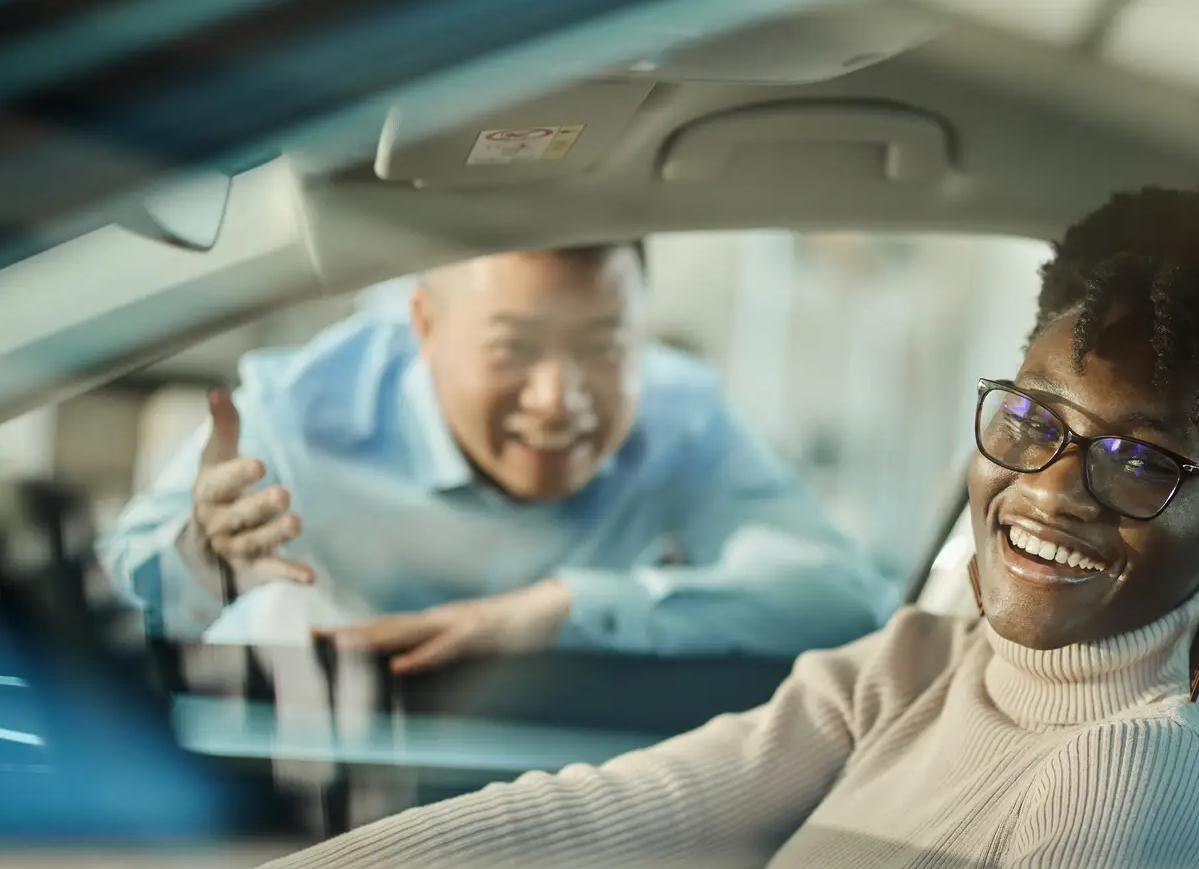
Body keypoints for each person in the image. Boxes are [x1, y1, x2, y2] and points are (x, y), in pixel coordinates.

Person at [254, 189, 1199, 869]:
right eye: (1032, 420)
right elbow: (623, 811)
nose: (1052, 489)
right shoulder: (919, 665)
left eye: (1140, 462)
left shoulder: (1132, 775)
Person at [99, 244, 890, 667]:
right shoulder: (297, 413)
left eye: (603, 348)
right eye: (514, 349)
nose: (559, 399)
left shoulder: (681, 419)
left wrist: (562, 610)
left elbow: (840, 598)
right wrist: (201, 562)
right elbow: (104, 611)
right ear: (424, 326)